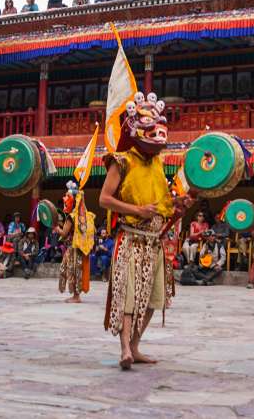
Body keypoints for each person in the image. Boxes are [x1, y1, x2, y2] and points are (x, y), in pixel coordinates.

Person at [98, 90, 195, 370]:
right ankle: (125, 349)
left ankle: (137, 345)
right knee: (127, 295)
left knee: (154, 298)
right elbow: (104, 199)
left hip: (155, 242)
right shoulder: (121, 161)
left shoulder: (159, 164)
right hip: (130, 238)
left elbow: (166, 206)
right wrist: (138, 211)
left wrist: (180, 206)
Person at [58, 181, 96, 300]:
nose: (65, 199)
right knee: (77, 270)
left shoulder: (72, 217)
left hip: (73, 247)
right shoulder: (86, 215)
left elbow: (64, 233)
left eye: (67, 197)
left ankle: (76, 296)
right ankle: (76, 295)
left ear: (73, 200)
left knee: (72, 270)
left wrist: (55, 227)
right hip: (81, 248)